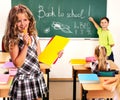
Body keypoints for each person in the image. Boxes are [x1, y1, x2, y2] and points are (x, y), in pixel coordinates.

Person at [4, 4, 48, 100]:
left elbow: (40, 60)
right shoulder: (14, 40)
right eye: (18, 21)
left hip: (36, 78)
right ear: (13, 24)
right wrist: (25, 45)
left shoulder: (35, 38)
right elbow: (18, 64)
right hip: (23, 81)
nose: (22, 24)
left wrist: (56, 55)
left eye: (25, 20)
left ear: (30, 21)